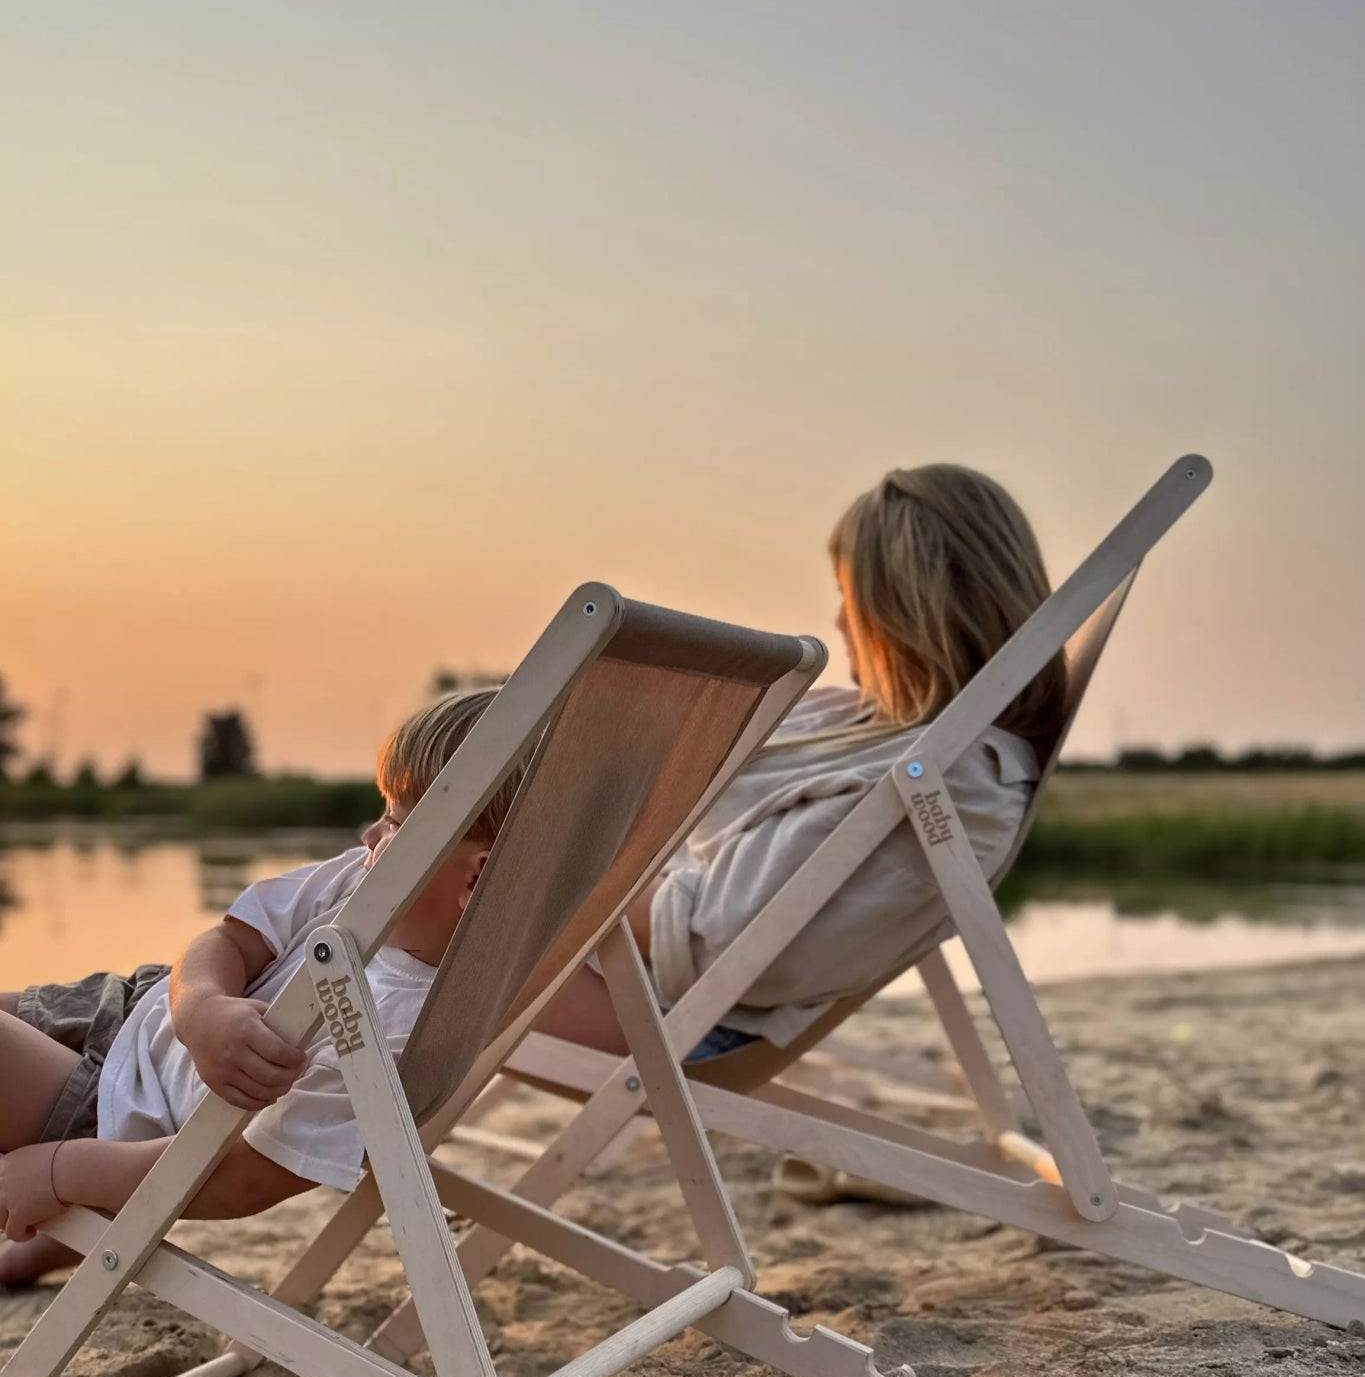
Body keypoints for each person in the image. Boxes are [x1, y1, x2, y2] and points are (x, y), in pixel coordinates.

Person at [536, 463, 1067, 1057]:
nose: (840, 622)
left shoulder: (954, 780)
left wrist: (539, 870)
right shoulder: (869, 724)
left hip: (661, 1012)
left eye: (850, 598)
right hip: (613, 968)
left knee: (423, 947)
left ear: (903, 611)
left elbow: (713, 944)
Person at [0, 691, 527, 1284]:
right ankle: (60, 1243)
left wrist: (61, 1173)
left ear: (475, 874)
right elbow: (226, 940)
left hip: (119, 1116)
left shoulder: (401, 1027)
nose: (369, 835)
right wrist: (201, 1007)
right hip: (132, 1006)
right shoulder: (357, 879)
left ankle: (79, 1222)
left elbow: (248, 1177)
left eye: (395, 823)